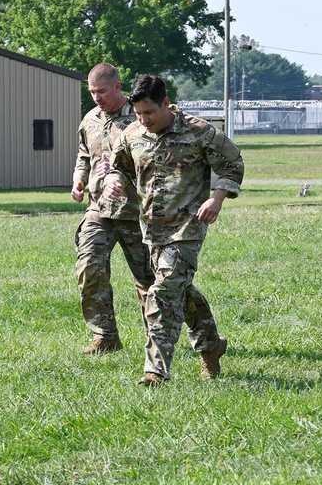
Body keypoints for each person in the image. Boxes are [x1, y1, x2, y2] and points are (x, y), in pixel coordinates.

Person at [103, 74, 244, 385]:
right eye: (138, 113)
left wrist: (217, 199)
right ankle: (211, 346)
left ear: (166, 104)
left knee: (164, 293)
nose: (144, 120)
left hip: (188, 228)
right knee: (180, 291)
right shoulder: (132, 134)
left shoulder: (199, 132)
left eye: (150, 112)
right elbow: (120, 167)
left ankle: (156, 371)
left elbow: (233, 163)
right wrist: (114, 182)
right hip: (151, 230)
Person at [70, 63, 155, 354]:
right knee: (89, 266)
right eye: (92, 92)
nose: (97, 97)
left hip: (137, 211)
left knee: (150, 278)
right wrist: (79, 179)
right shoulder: (90, 120)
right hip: (99, 209)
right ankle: (105, 336)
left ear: (118, 87)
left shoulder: (140, 116)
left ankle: (156, 336)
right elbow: (85, 155)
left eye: (102, 91)